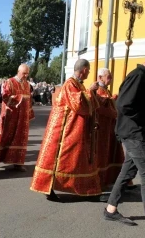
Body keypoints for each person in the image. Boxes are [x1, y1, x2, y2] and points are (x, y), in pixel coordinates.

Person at [30, 59, 102, 200]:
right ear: (84, 70)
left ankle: (85, 189)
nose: (89, 73)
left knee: (76, 158)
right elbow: (78, 104)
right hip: (63, 129)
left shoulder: (79, 85)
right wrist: (90, 91)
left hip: (76, 128)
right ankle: (49, 188)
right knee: (58, 158)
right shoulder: (70, 84)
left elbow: (88, 106)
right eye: (88, 70)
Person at [103, 62, 145, 226]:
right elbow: (123, 104)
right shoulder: (138, 75)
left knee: (127, 172)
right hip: (133, 132)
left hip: (136, 132)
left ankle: (110, 209)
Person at [0, 64, 34, 171]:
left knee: (20, 139)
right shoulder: (10, 82)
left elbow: (29, 99)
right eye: (24, 73)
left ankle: (18, 163)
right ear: (18, 71)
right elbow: (5, 96)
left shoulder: (27, 84)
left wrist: (29, 111)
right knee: (4, 136)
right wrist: (19, 98)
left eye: (27, 73)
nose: (25, 75)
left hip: (22, 117)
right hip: (10, 115)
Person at [95, 68, 124, 188]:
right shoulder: (98, 91)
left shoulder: (105, 90)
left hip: (110, 127)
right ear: (100, 77)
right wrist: (114, 113)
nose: (110, 79)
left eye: (111, 77)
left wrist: (113, 99)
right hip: (102, 128)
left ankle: (109, 179)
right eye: (108, 77)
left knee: (110, 153)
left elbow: (108, 103)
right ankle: (100, 181)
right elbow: (100, 107)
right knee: (102, 155)